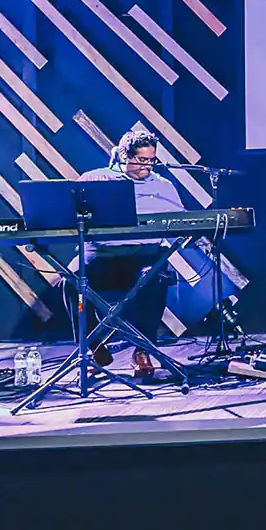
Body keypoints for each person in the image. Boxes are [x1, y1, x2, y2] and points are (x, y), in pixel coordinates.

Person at [80, 125, 184, 377]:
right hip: (102, 254)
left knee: (157, 275)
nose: (147, 166)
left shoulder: (163, 186)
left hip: (144, 254)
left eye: (151, 160)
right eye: (141, 160)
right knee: (70, 282)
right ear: (123, 156)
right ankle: (92, 346)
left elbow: (182, 220)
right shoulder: (94, 180)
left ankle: (142, 350)